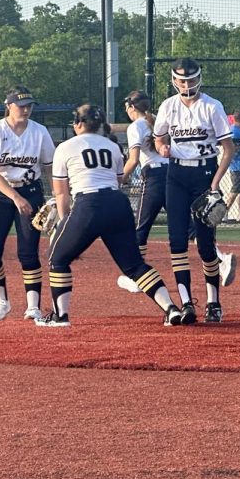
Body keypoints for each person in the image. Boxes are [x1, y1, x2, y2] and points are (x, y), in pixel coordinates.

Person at [39, 103, 182, 327]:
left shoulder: (66, 147)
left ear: (77, 124)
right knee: (134, 265)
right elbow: (116, 180)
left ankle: (61, 317)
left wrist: (65, 224)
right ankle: (171, 308)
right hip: (117, 203)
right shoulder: (112, 146)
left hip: (88, 204)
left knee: (57, 258)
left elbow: (61, 194)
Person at [152, 57, 236, 324]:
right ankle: (186, 302)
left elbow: (228, 148)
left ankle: (213, 302)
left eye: (191, 79)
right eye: (182, 80)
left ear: (199, 78)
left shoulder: (212, 106)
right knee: (177, 242)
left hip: (204, 174)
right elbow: (159, 137)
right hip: (176, 175)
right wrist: (162, 148)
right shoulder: (168, 106)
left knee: (205, 245)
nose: (187, 84)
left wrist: (214, 184)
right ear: (174, 80)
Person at [0, 86, 55, 322]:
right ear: (8, 106)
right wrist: (15, 197)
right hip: (1, 194)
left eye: (29, 105)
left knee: (28, 252)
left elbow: (50, 166)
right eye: (21, 105)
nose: (26, 109)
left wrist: (56, 197)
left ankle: (33, 306)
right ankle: (2, 301)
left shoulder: (39, 132)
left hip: (31, 191)